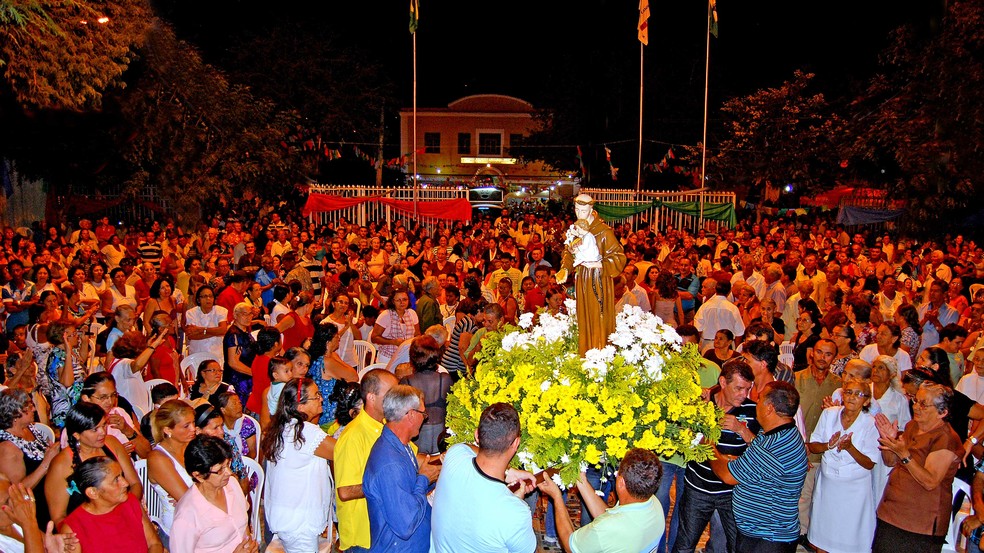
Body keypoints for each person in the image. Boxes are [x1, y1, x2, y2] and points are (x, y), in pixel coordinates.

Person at [709, 381, 809, 553]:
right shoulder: (781, 432)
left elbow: (727, 475)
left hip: (768, 539)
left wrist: (708, 445)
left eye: (760, 397)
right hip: (764, 533)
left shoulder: (773, 447)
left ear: (769, 408)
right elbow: (761, 465)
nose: (754, 400)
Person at [675, 359, 759, 553]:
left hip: (733, 493)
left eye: (747, 389)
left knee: (736, 545)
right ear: (722, 382)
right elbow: (682, 440)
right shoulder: (702, 405)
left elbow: (762, 450)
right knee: (685, 544)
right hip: (698, 488)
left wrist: (742, 430)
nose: (743, 395)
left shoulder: (753, 411)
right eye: (738, 388)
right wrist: (700, 416)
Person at [430, 403, 537, 553]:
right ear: (516, 443)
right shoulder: (515, 513)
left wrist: (509, 472)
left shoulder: (454, 455)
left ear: (477, 435)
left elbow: (466, 447)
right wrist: (515, 500)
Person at [873, 383, 962, 553]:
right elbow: (890, 461)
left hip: (920, 524)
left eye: (923, 404)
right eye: (915, 400)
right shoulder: (912, 426)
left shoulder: (945, 438)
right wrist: (890, 443)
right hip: (892, 514)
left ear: (942, 413)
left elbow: (930, 481)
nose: (916, 407)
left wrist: (904, 454)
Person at [540, 448, 665, 553]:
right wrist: (581, 480)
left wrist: (556, 497)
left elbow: (569, 545)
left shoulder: (605, 529)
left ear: (621, 482)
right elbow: (608, 516)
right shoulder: (653, 504)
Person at [362, 385, 441, 553]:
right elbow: (405, 524)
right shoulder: (390, 463)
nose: (424, 419)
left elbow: (407, 491)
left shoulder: (399, 446)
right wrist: (424, 479)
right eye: (423, 414)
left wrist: (432, 478)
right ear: (411, 415)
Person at [261, 378, 336, 552]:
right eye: (316, 396)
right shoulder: (304, 432)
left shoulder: (283, 427)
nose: (321, 398)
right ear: (300, 406)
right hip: (298, 524)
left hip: (288, 517)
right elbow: (342, 452)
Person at [806, 380, 879, 553]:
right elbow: (813, 445)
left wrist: (850, 447)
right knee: (823, 537)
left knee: (850, 537)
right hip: (828, 486)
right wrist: (828, 446)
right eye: (848, 392)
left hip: (854, 492)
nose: (852, 397)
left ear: (867, 401)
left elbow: (869, 463)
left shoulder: (870, 423)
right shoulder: (829, 414)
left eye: (858, 394)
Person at [44, 402, 143, 526]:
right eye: (95, 429)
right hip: (86, 528)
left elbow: (135, 483)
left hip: (122, 516)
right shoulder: (61, 464)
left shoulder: (112, 444)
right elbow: (58, 517)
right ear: (77, 435)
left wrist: (126, 510)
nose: (102, 432)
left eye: (104, 425)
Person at [334, 369, 399, 552]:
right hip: (362, 536)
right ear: (371, 397)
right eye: (390, 394)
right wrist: (387, 484)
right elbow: (345, 492)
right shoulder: (354, 436)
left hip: (381, 528)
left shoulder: (386, 425)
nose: (396, 400)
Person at [556, 194, 627, 355]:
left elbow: (619, 257)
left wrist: (599, 264)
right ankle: (585, 349)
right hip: (582, 278)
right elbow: (569, 252)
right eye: (577, 210)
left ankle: (600, 353)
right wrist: (565, 269)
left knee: (598, 316)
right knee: (584, 315)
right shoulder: (576, 229)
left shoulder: (603, 232)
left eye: (583, 210)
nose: (580, 214)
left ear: (591, 210)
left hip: (598, 278)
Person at [170, 435, 258, 553]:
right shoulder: (187, 514)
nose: (229, 472)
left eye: (228, 464)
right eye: (220, 469)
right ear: (199, 476)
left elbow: (244, 527)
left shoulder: (231, 484)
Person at [59, 456, 163, 552]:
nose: (126, 483)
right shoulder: (74, 528)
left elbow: (154, 544)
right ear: (93, 492)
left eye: (122, 475)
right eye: (116, 480)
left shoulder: (130, 502)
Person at [0, 389, 58, 530]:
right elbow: (16, 492)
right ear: (15, 414)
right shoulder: (8, 448)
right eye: (29, 406)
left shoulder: (29, 428)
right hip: (36, 508)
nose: (33, 409)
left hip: (50, 495)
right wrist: (46, 463)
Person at [147, 399, 195, 538]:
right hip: (179, 531)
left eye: (193, 422)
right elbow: (188, 500)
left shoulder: (194, 446)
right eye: (186, 426)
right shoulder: (158, 458)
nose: (193, 429)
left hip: (204, 524)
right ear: (168, 430)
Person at [400, 336, 451, 454]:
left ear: (412, 357)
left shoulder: (406, 382)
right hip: (441, 444)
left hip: (416, 445)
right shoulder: (445, 380)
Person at [307, 323, 359, 426]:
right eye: (336, 336)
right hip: (329, 415)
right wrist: (335, 357)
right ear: (328, 342)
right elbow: (354, 376)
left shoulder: (318, 357)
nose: (339, 338)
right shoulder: (327, 361)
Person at [694, 279, 746, 352]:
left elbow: (698, 329)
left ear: (715, 289)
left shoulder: (704, 307)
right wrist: (736, 351)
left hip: (707, 346)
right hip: (727, 347)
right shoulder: (732, 308)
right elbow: (739, 332)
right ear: (729, 291)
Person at [371, 289, 420, 365]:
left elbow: (417, 334)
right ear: (393, 301)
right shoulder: (385, 315)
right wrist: (393, 342)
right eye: (398, 300)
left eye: (404, 299)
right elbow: (374, 337)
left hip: (408, 356)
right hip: (388, 357)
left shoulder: (412, 313)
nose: (402, 302)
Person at [223, 303, 257, 405]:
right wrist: (254, 373)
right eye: (244, 314)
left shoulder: (245, 332)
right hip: (238, 381)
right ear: (235, 315)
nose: (248, 317)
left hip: (246, 378)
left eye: (250, 314)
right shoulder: (234, 335)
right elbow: (233, 363)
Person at [183, 285, 229, 360]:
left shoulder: (221, 310)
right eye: (204, 296)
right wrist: (216, 332)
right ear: (198, 299)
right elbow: (191, 336)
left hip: (217, 353)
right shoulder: (191, 313)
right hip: (197, 352)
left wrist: (200, 330)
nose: (208, 299)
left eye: (211, 296)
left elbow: (223, 330)